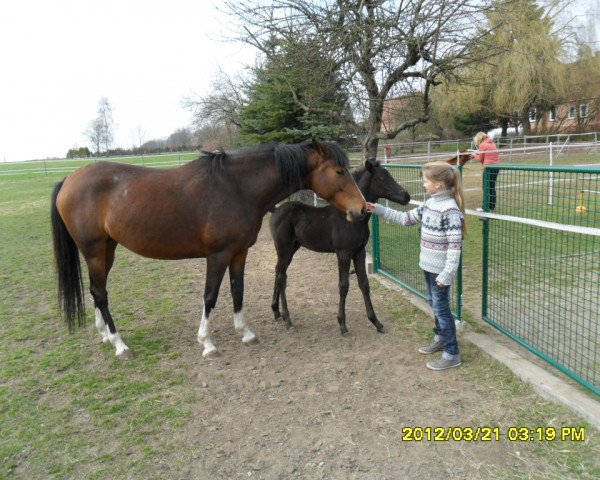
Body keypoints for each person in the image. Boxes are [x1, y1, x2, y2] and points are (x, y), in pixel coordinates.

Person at [366, 161, 465, 371]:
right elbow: (405, 219)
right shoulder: (429, 205)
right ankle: (440, 338)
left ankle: (452, 353)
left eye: (426, 180)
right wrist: (378, 209)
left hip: (440, 272)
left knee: (442, 308)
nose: (424, 184)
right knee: (434, 303)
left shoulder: (450, 211)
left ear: (438, 184)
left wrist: (447, 274)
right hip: (428, 267)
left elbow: (455, 247)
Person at [471, 131, 500, 211]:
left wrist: (474, 156)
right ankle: (492, 206)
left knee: (486, 188)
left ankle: (485, 207)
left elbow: (480, 159)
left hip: (488, 169)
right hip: (496, 168)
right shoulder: (492, 143)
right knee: (492, 187)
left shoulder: (482, 145)